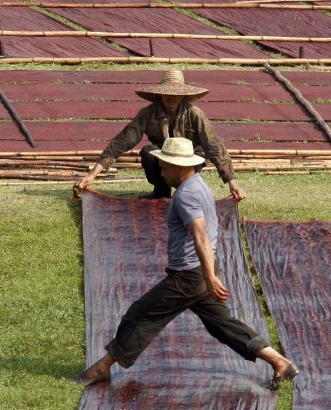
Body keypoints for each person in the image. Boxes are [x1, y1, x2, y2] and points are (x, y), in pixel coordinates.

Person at [72, 137, 298, 390]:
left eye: (165, 167)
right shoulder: (199, 186)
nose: (161, 172)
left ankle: (102, 368)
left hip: (189, 276)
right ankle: (279, 361)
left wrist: (210, 277)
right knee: (223, 326)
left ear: (180, 167)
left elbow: (199, 234)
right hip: (204, 271)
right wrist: (211, 272)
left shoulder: (187, 195)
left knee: (140, 314)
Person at [75, 70, 245, 201]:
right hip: (164, 163)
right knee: (148, 152)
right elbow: (122, 141)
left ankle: (186, 192)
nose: (171, 97)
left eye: (176, 94)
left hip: (190, 161)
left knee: (187, 195)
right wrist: (93, 174)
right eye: (168, 93)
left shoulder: (195, 114)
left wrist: (232, 183)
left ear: (183, 95)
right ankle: (161, 193)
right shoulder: (147, 113)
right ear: (160, 94)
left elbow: (214, 147)